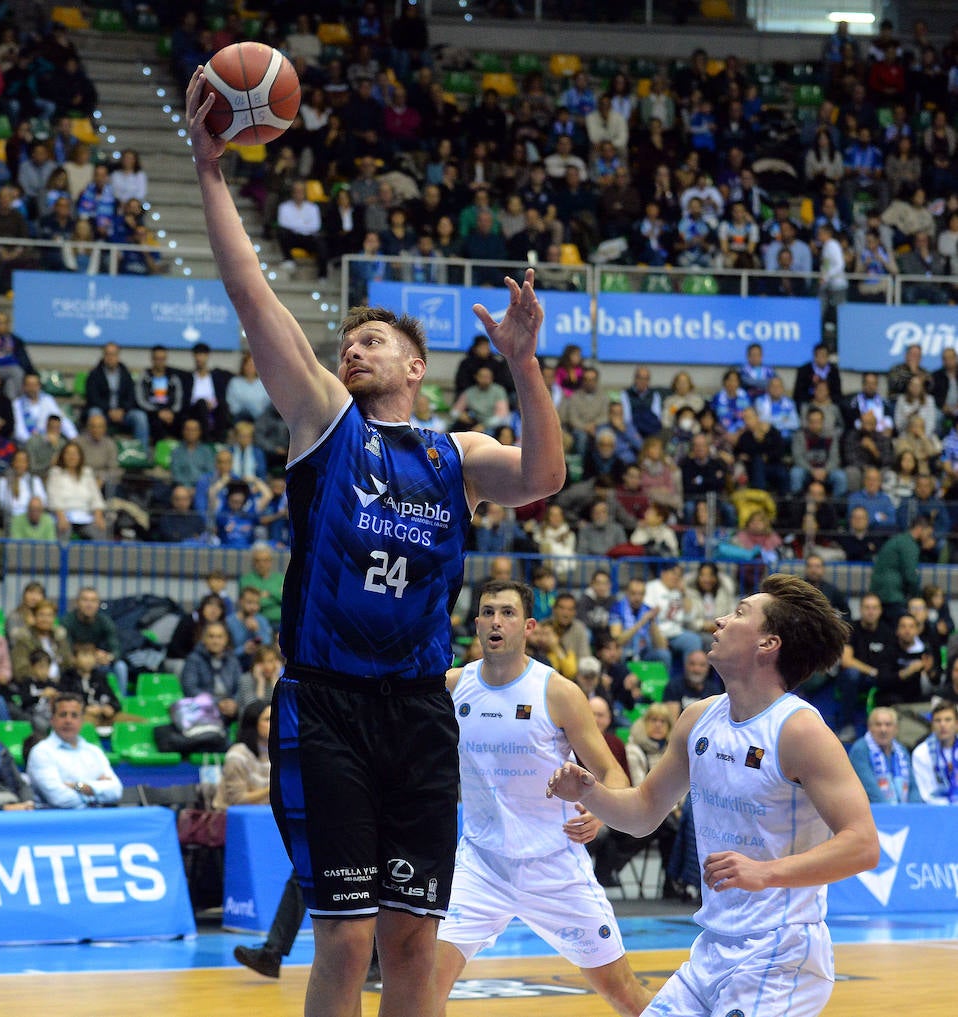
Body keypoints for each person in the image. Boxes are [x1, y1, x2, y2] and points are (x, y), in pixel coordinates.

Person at [187, 65, 565, 1017]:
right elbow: (253, 300)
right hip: (327, 708)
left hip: (417, 712)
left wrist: (525, 367)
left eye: (372, 341)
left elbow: (544, 478)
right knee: (347, 935)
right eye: (345, 339)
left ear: (416, 364)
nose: (352, 348)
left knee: (411, 939)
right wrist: (211, 173)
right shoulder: (324, 421)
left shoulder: (453, 451)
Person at [548, 573, 880, 1017]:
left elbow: (863, 845)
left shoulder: (799, 729)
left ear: (768, 644)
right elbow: (644, 813)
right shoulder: (698, 718)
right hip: (711, 948)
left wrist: (767, 873)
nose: (719, 621)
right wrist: (591, 792)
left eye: (740, 613)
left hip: (780, 953)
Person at [435, 581, 651, 1017]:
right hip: (480, 866)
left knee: (626, 995)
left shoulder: (558, 692)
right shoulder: (452, 687)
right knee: (422, 990)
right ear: (476, 623)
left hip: (555, 866)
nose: (497, 621)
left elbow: (613, 773)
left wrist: (599, 811)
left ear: (529, 625)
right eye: (489, 612)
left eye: (508, 613)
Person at [25, 691, 122, 808]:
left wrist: (77, 786)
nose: (68, 721)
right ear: (52, 719)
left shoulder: (94, 751)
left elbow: (116, 791)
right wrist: (98, 790)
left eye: (74, 715)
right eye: (63, 715)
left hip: (96, 819)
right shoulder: (41, 752)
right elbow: (60, 799)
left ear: (82, 720)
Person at [847, 705, 919, 804]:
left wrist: (913, 811)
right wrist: (892, 814)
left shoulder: (901, 750)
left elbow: (913, 787)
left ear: (896, 729)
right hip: (874, 811)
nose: (883, 730)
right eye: (878, 724)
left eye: (888, 724)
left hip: (903, 812)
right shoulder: (860, 749)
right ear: (869, 727)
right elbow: (870, 789)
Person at [911, 700, 958, 805]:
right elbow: (926, 794)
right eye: (938, 720)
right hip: (936, 811)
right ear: (932, 725)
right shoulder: (921, 753)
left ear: (956, 724)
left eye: (948, 720)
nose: (942, 725)